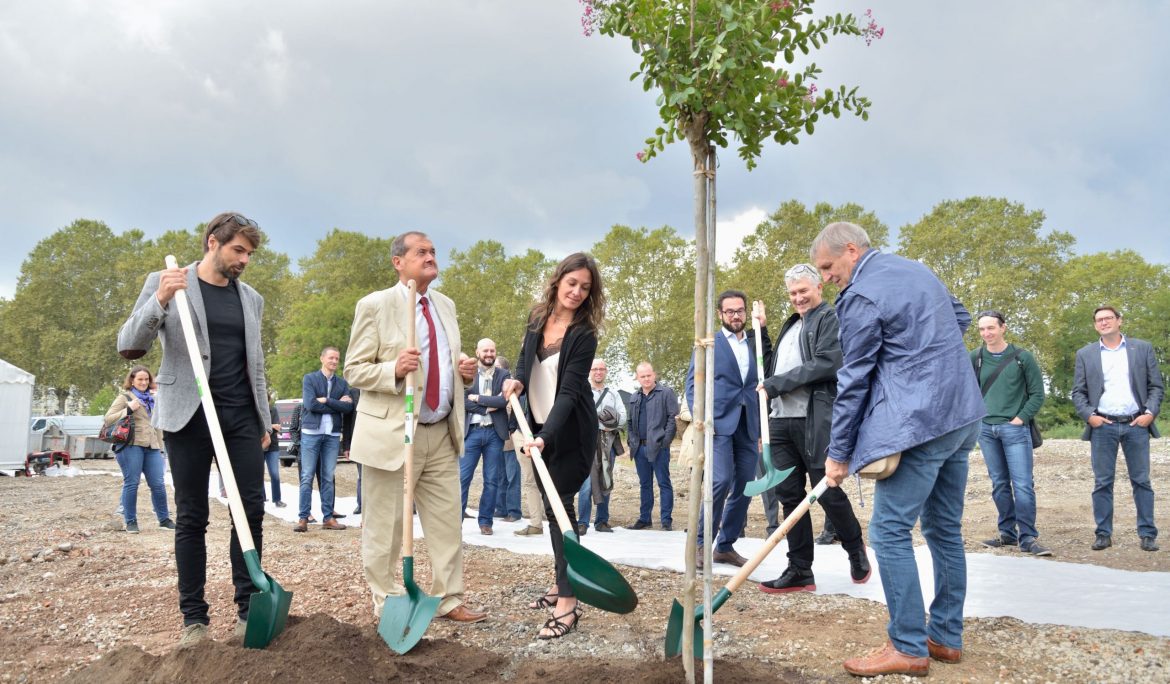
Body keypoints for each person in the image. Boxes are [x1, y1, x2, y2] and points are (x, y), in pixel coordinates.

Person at [812, 222, 984, 678]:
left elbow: (854, 379)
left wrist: (838, 452)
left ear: (852, 250)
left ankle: (908, 646)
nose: (826, 277)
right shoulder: (917, 270)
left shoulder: (861, 295)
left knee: (888, 532)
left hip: (922, 423)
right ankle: (945, 638)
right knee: (945, 528)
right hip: (963, 413)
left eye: (828, 267)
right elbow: (960, 318)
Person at [118, 211, 272, 647]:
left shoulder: (252, 299)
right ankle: (195, 620)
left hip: (240, 414)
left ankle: (249, 608)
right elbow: (129, 345)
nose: (244, 259)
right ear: (212, 242)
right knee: (191, 517)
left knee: (251, 511)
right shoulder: (168, 280)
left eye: (249, 253)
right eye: (238, 250)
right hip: (189, 415)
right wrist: (160, 301)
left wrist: (264, 420)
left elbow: (255, 365)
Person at [343, 231, 486, 624]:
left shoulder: (445, 305)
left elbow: (446, 364)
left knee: (445, 521)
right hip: (393, 433)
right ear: (398, 262)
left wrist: (465, 374)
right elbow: (353, 369)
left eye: (433, 252)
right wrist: (393, 369)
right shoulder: (374, 306)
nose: (430, 257)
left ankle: (448, 597)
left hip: (440, 431)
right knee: (385, 525)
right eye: (420, 252)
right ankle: (389, 601)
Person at [503, 252, 605, 640]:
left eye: (585, 287)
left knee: (562, 511)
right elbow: (524, 362)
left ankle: (569, 601)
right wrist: (515, 381)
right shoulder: (536, 317)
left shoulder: (584, 334)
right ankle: (563, 580)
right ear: (558, 281)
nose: (577, 292)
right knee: (550, 509)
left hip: (570, 432)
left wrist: (545, 436)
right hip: (539, 426)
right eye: (572, 283)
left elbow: (568, 392)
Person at [758, 263, 870, 594]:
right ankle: (800, 569)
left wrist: (776, 384)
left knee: (826, 490)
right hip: (780, 422)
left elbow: (828, 363)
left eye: (803, 291)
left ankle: (854, 548)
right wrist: (762, 333)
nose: (798, 298)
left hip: (814, 420)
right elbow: (769, 370)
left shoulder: (829, 319)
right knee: (789, 496)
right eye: (792, 293)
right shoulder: (792, 325)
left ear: (819, 286)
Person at [685, 291, 771, 567]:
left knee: (746, 486)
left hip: (748, 424)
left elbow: (762, 376)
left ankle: (724, 545)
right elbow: (692, 384)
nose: (736, 315)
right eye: (730, 311)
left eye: (740, 311)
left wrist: (760, 427)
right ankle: (700, 543)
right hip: (718, 423)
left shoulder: (754, 342)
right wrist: (701, 419)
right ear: (720, 314)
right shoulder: (710, 343)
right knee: (720, 481)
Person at [1071, 306, 1163, 553]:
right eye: (1099, 320)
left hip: (1136, 424)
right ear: (1095, 325)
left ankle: (1147, 534)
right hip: (1103, 425)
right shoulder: (1085, 354)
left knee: (1141, 481)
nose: (1104, 322)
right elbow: (1078, 391)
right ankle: (1103, 533)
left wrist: (1149, 413)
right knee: (1102, 482)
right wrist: (1090, 416)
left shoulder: (1141, 348)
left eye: (1108, 318)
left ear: (1119, 321)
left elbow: (1156, 386)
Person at [971, 310, 1048, 555]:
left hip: (1014, 429)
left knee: (1023, 484)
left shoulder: (1022, 357)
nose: (986, 333)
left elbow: (1037, 394)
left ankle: (1028, 538)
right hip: (986, 430)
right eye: (982, 329)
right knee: (999, 484)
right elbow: (967, 391)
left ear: (1003, 328)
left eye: (991, 328)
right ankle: (1007, 533)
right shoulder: (976, 357)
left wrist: (1020, 418)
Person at [104, 365, 174, 534]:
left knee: (158, 484)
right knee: (132, 483)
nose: (144, 382)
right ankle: (131, 521)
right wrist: (129, 409)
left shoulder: (153, 399)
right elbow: (108, 419)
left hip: (152, 446)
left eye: (146, 379)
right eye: (140, 379)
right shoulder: (125, 397)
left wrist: (160, 447)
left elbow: (157, 424)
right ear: (132, 380)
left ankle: (164, 519)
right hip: (131, 446)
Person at [294, 346, 354, 532]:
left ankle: (328, 518)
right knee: (307, 476)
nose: (334, 361)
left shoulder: (343, 384)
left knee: (328, 477)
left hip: (332, 435)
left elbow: (348, 409)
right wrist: (337, 404)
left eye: (337, 358)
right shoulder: (309, 379)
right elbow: (311, 405)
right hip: (311, 434)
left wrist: (327, 401)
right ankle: (303, 518)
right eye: (331, 358)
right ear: (322, 359)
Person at [459, 338, 511, 535]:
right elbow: (463, 401)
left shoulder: (504, 374)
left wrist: (479, 399)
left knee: (491, 480)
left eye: (492, 350)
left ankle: (486, 522)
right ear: (478, 352)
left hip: (494, 434)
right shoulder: (468, 375)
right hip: (471, 432)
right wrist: (487, 407)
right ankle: (456, 521)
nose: (489, 354)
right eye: (485, 351)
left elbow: (502, 400)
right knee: (463, 478)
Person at [576, 358, 627, 535]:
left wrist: (605, 423)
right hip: (586, 444)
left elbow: (622, 416)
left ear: (606, 372)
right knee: (586, 484)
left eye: (601, 369)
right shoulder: (582, 392)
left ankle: (602, 521)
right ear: (589, 371)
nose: (598, 372)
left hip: (607, 442)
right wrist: (600, 418)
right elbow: (577, 416)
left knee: (605, 480)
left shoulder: (613, 393)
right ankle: (582, 522)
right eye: (595, 369)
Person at [627, 362, 678, 532]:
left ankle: (666, 520)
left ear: (654, 375)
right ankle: (645, 519)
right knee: (645, 484)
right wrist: (632, 441)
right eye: (642, 376)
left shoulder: (666, 393)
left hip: (659, 447)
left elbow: (673, 418)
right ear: (638, 378)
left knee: (664, 483)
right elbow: (629, 423)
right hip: (639, 448)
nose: (646, 379)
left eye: (648, 375)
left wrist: (665, 442)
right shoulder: (634, 397)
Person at [492, 355, 523, 524]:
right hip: (497, 439)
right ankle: (500, 508)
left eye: (497, 367)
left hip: (511, 439)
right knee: (499, 477)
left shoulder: (513, 389)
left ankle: (514, 511)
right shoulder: (493, 387)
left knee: (512, 477)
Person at [264, 392, 286, 508]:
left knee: (275, 474)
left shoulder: (273, 410)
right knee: (258, 473)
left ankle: (277, 499)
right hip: (259, 444)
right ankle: (261, 498)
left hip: (272, 446)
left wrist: (269, 426)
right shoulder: (256, 410)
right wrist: (271, 426)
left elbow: (278, 427)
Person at [342, 389, 361, 515]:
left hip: (380, 439)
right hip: (359, 439)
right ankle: (362, 504)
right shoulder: (353, 393)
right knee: (363, 476)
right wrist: (346, 446)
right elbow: (347, 421)